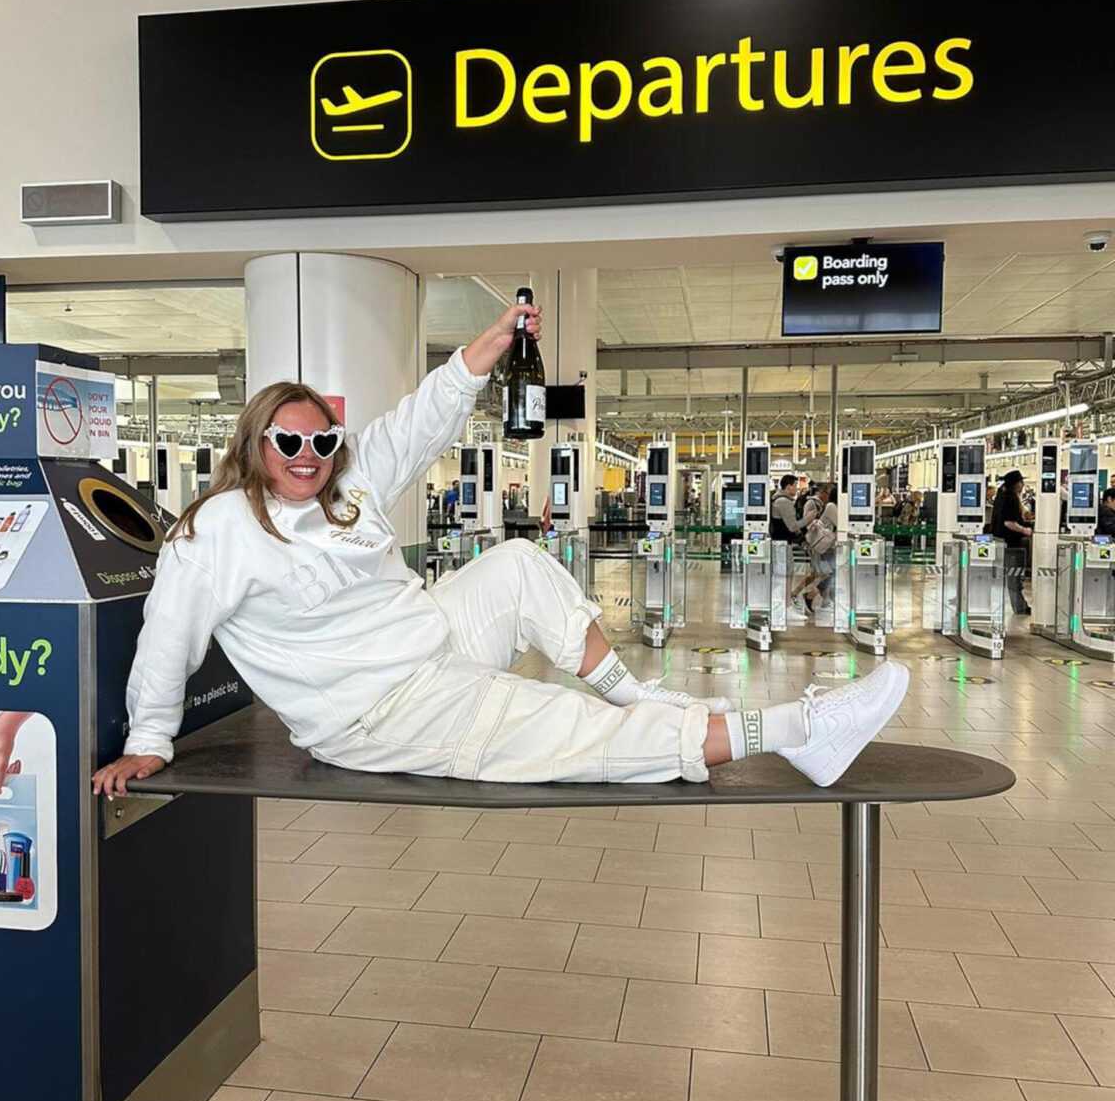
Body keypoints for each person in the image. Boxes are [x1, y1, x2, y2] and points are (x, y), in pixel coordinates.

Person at [92, 303, 908, 799]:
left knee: (519, 565)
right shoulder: (219, 530)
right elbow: (168, 639)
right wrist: (147, 742)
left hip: (436, 641)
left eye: (322, 439)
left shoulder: (349, 484)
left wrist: (489, 346)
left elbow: (423, 419)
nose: (308, 454)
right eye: (288, 440)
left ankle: (641, 698)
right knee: (564, 728)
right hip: (377, 711)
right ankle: (802, 730)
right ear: (256, 441)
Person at [990, 468, 1033, 615]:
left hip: (1000, 540)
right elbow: (1009, 523)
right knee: (1014, 577)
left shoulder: (1001, 495)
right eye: (1022, 482)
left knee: (1011, 576)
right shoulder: (1011, 498)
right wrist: (1025, 530)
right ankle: (1020, 607)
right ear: (1017, 484)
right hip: (1010, 543)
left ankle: (1019, 606)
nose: (1023, 485)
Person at [791, 483, 837, 612]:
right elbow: (841, 524)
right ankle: (813, 596)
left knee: (818, 573)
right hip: (822, 545)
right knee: (828, 573)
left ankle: (799, 594)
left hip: (825, 545)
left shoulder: (827, 505)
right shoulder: (829, 506)